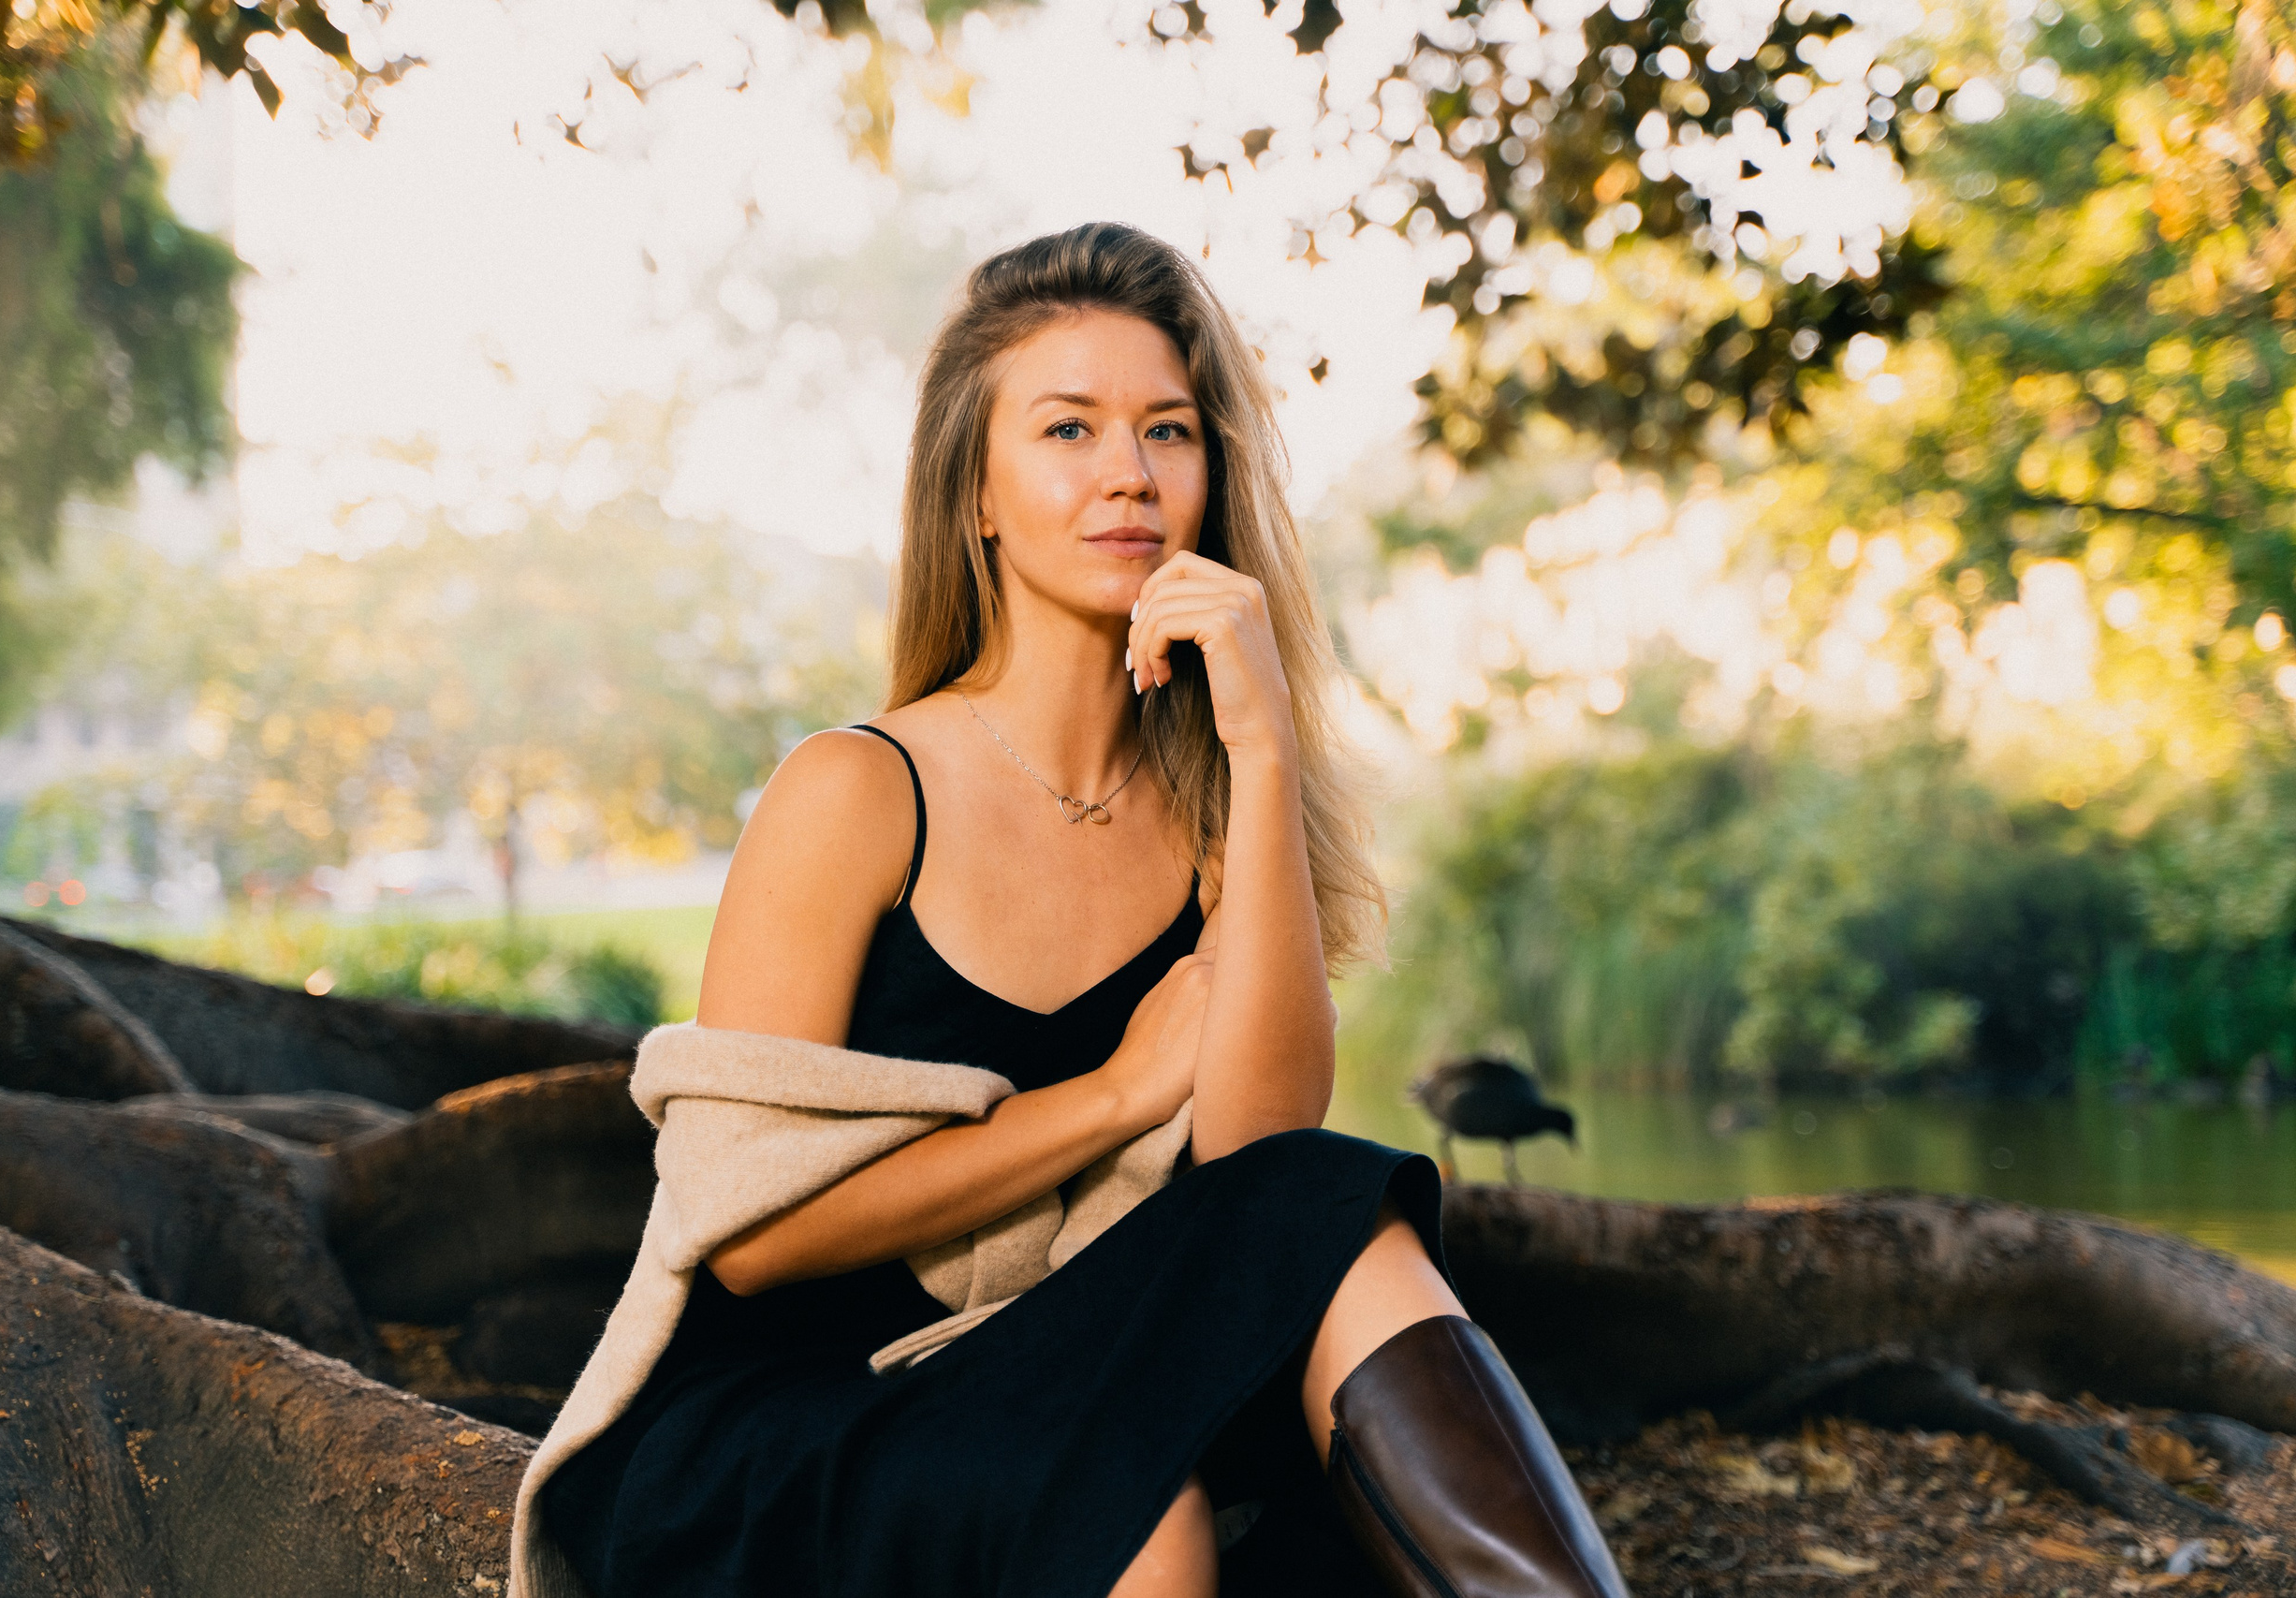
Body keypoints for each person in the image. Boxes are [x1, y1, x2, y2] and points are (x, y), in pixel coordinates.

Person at [538, 223, 1628, 1598]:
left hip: (1059, 1364)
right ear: (978, 492)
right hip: (795, 1415)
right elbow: (752, 1240)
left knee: (1327, 1207)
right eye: (1068, 430)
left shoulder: (1218, 804)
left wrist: (1268, 749)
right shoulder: (856, 790)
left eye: (1168, 430)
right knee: (1135, 1517)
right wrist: (1110, 1099)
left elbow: (1261, 1179)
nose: (1129, 474)